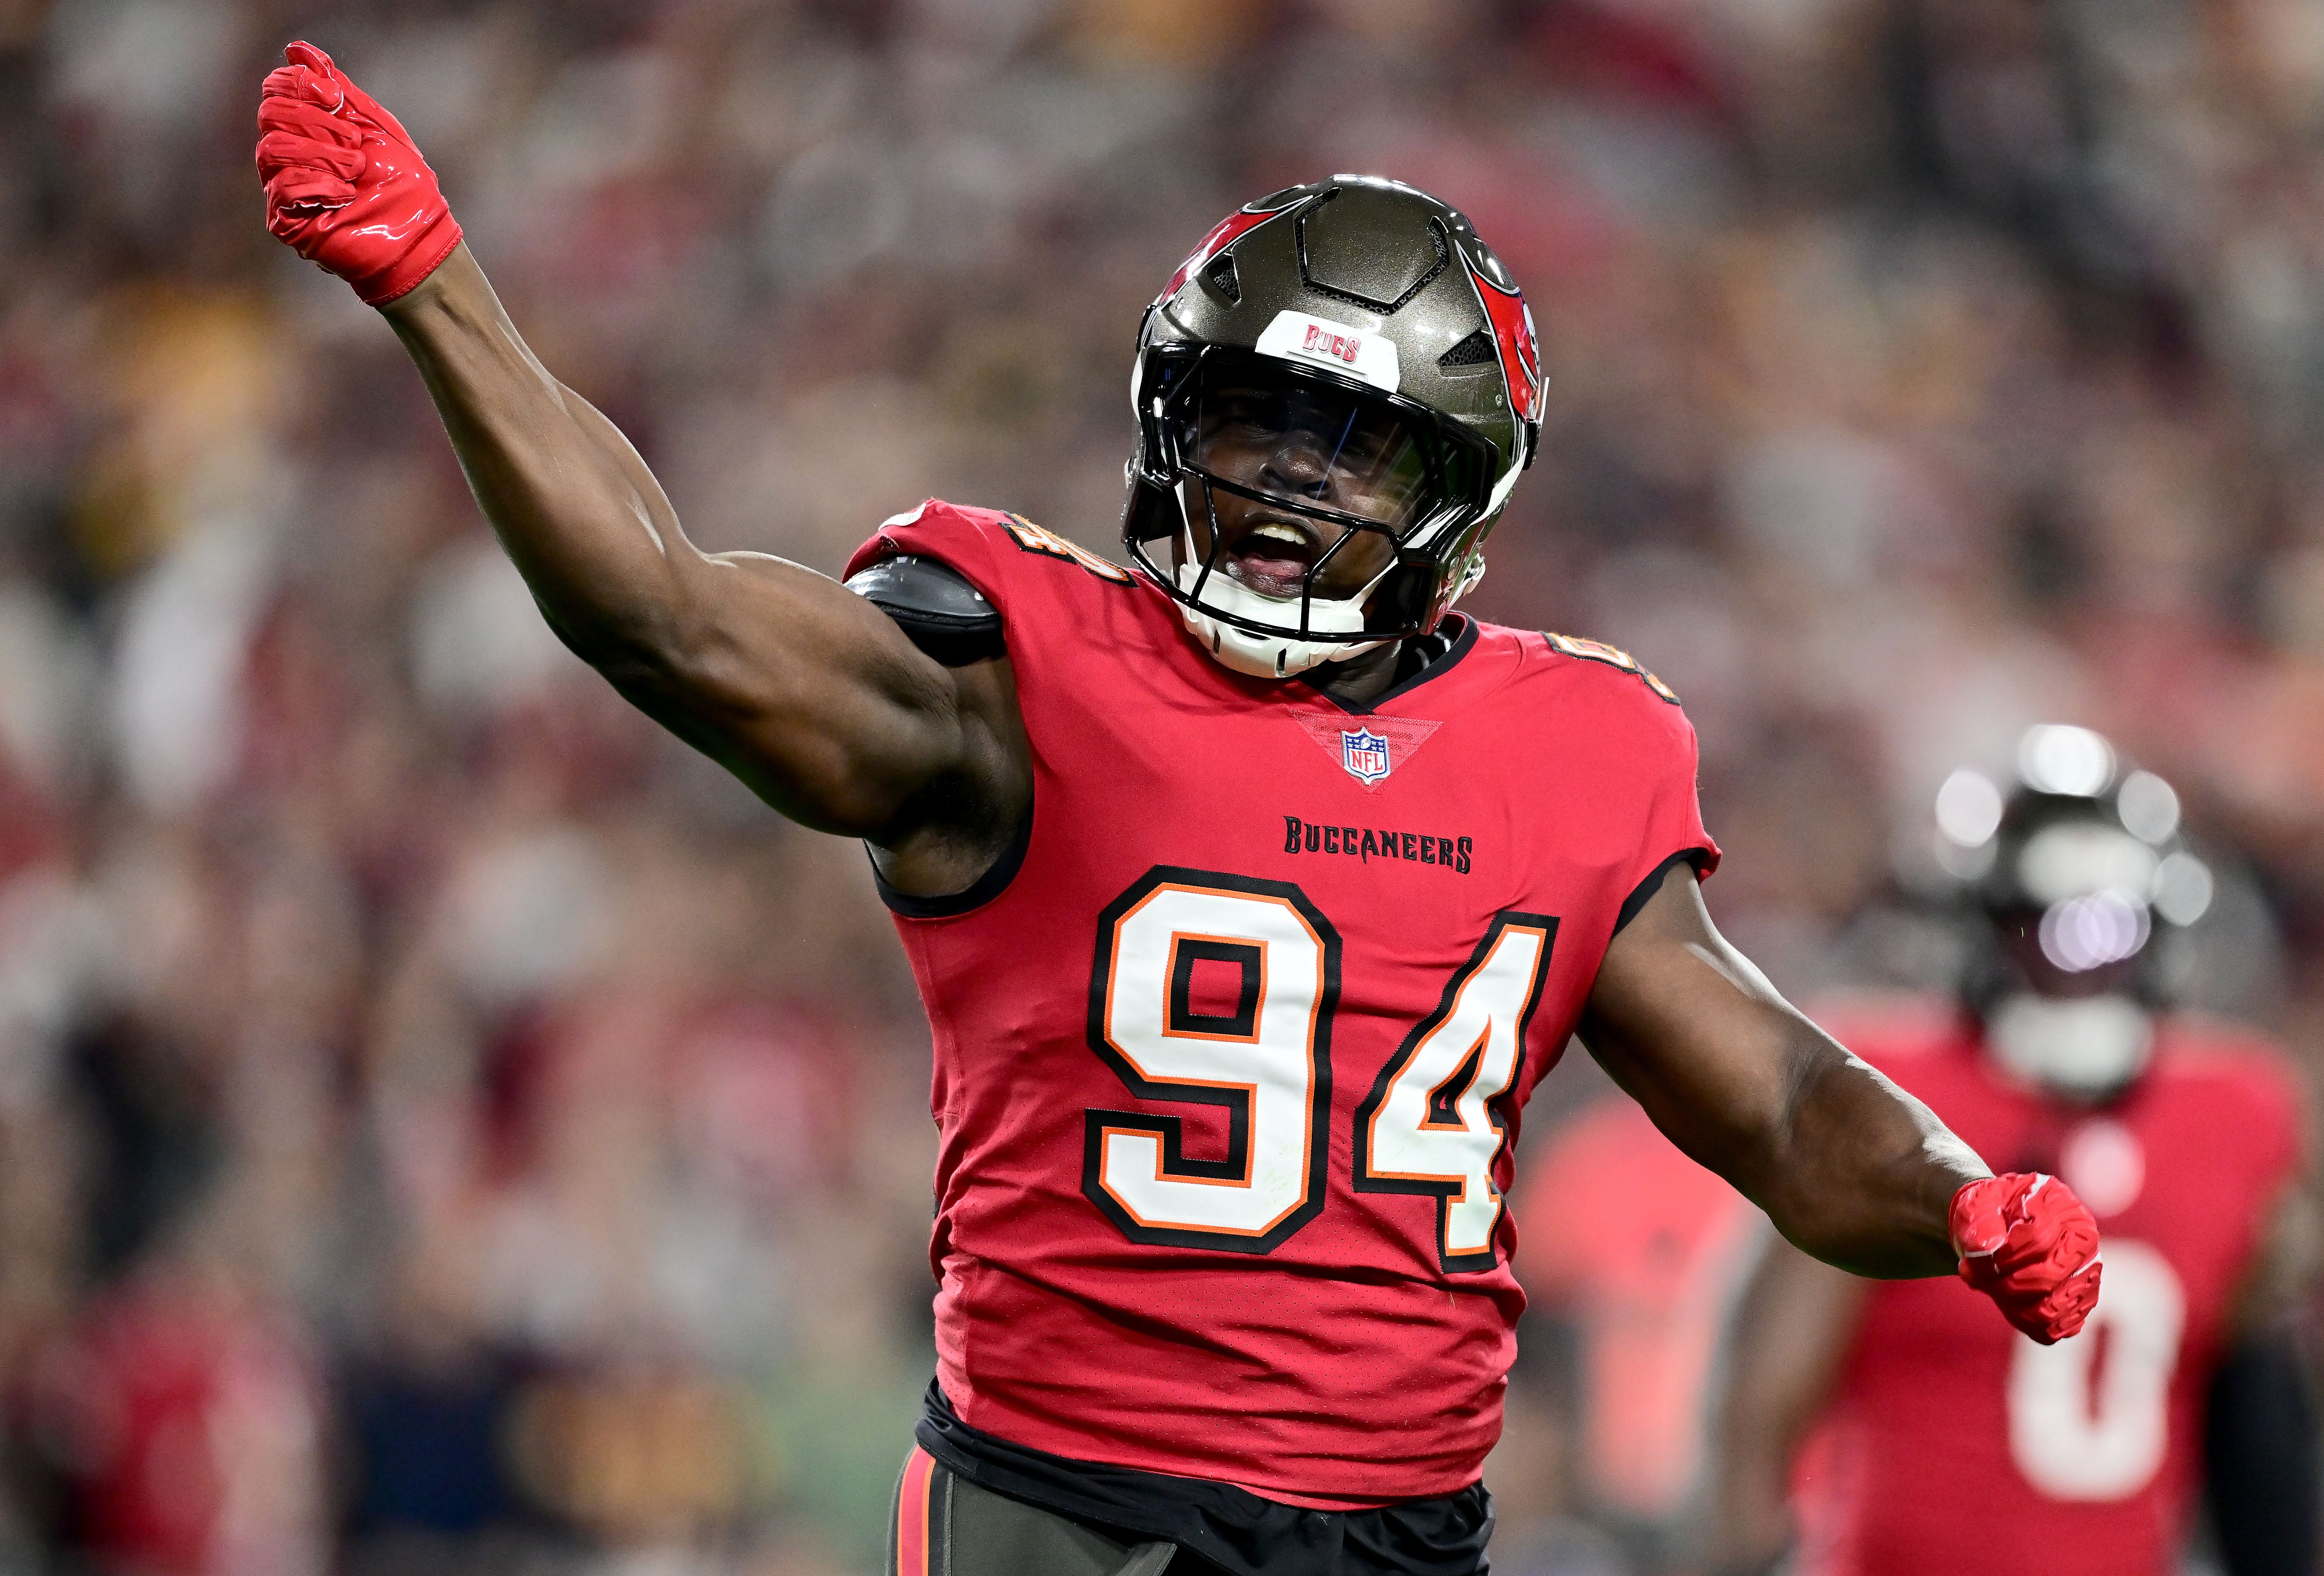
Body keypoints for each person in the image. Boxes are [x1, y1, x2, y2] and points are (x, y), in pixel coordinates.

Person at [253, 44, 2101, 1576]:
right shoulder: (1022, 663)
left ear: (1456, 497)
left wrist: (1955, 1196)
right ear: (1166, 419)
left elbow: (1775, 1098)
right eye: (1252, 421)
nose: (1290, 485)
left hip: (1396, 1533)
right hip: (1060, 1509)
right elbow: (664, 615)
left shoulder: (1579, 744)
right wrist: (439, 287)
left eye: (1356, 448)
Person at [1705, 727, 2317, 1576]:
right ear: (1987, 927)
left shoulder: (2238, 1115)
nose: (2078, 962)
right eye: (2044, 929)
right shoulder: (1889, 1094)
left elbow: (2258, 1426)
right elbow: (1755, 1412)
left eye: (2108, 931)